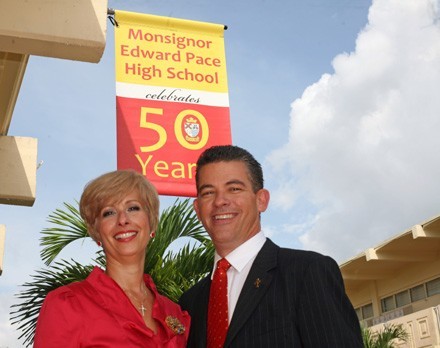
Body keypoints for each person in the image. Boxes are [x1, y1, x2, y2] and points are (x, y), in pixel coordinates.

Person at [179, 145, 363, 347]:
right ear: (197, 208)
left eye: (234, 189)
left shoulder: (306, 273)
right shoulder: (189, 303)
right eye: (208, 193)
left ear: (261, 200)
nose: (220, 201)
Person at [34, 170, 190, 347]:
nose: (123, 220)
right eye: (109, 213)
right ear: (96, 231)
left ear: (151, 222)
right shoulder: (67, 305)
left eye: (133, 208)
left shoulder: (175, 313)